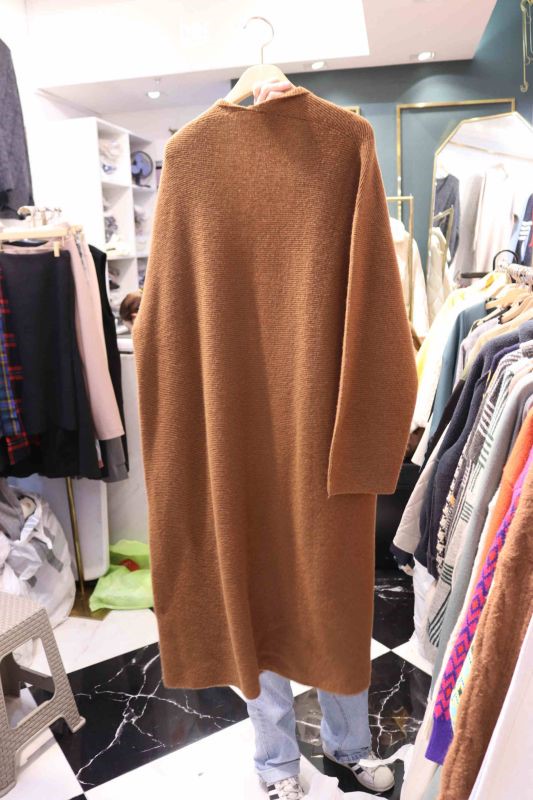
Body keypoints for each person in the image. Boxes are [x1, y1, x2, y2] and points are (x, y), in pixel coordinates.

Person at [244, 80, 395, 800]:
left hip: (327, 422)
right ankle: (274, 761)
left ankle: (348, 745)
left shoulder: (346, 143)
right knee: (257, 596)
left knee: (335, 599)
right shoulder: (192, 159)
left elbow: (378, 307)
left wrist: (368, 443)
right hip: (239, 427)